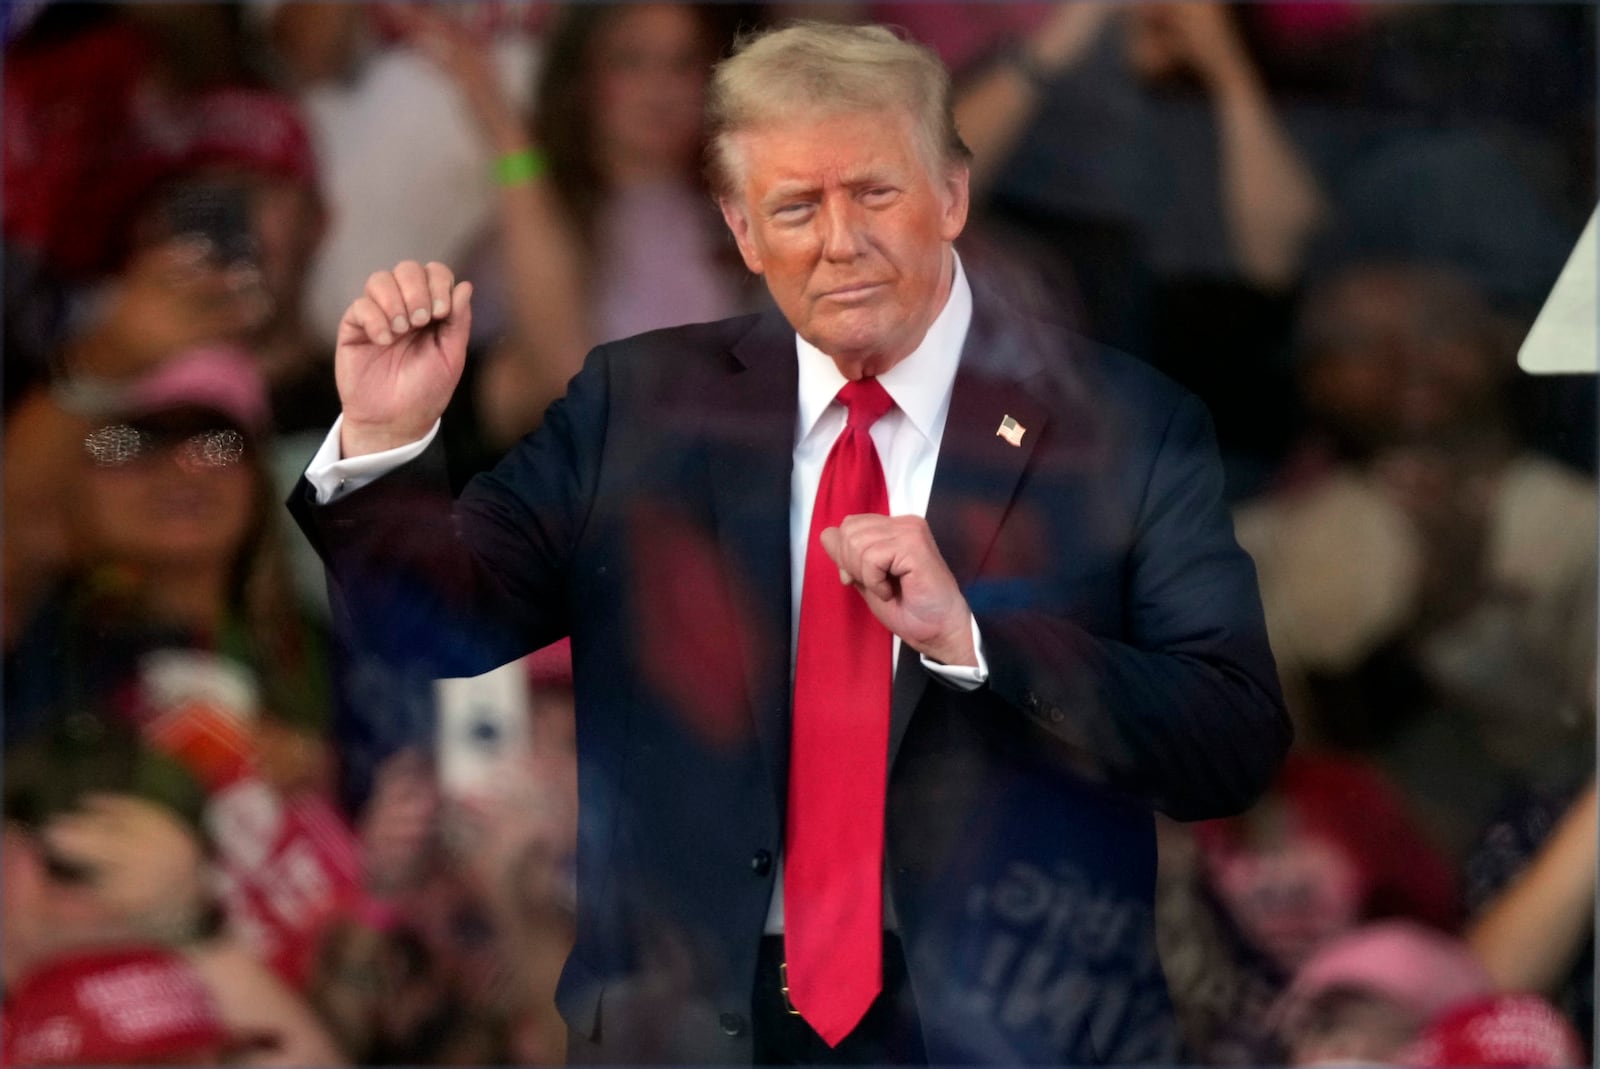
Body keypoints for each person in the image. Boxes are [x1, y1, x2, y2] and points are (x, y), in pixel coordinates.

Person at [291, 22, 1288, 1064]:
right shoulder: (639, 409)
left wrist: (978, 642)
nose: (839, 240)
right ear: (742, 229)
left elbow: (1227, 741)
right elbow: (441, 630)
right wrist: (382, 441)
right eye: (796, 208)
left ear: (950, 193)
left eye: (875, 193)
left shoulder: (1118, 431)